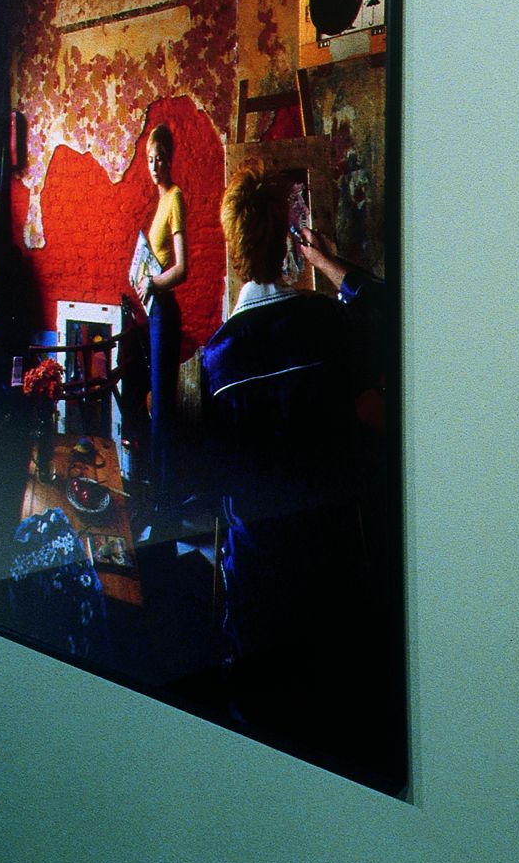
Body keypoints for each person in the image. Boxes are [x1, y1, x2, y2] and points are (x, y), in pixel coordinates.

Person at [197, 166, 399, 784]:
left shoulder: (216, 359)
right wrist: (329, 264)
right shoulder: (327, 325)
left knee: (267, 754)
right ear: (288, 240)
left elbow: (215, 483)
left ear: (234, 247)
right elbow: (387, 318)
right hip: (335, 579)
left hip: (258, 595)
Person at [135, 122, 187, 537]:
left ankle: (164, 512)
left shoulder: (176, 198)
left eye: (161, 158)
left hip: (165, 314)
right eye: (150, 160)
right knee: (158, 408)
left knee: (163, 411)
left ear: (171, 158)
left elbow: (182, 269)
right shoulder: (159, 201)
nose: (155, 165)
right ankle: (159, 505)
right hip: (156, 313)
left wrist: (151, 282)